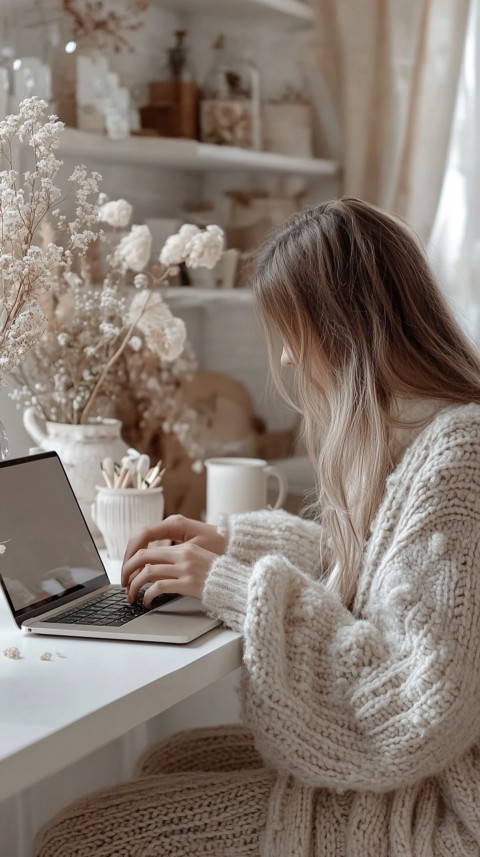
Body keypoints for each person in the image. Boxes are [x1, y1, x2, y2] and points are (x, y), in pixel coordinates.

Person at [35, 198, 480, 856]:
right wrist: (231, 547)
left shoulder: (458, 457)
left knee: (75, 837)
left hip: (438, 802)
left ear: (340, 327)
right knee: (171, 758)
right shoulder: (428, 431)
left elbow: (413, 711)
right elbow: (387, 581)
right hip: (422, 774)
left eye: (293, 333)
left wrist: (235, 586)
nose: (293, 360)